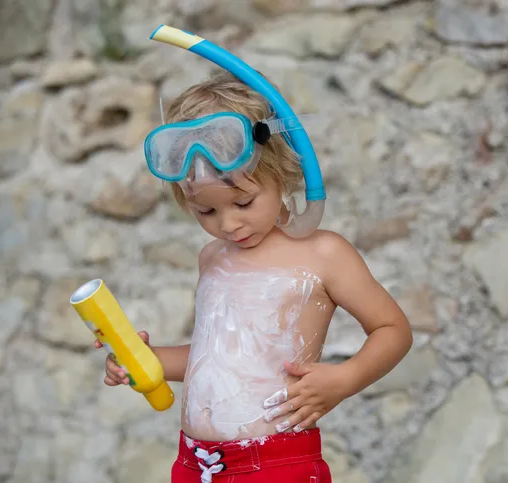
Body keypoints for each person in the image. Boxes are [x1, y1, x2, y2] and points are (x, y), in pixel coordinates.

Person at [94, 71, 413, 483]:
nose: (228, 224)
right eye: (206, 212)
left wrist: (345, 378)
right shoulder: (212, 257)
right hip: (192, 463)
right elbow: (220, 358)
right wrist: (143, 360)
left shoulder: (323, 253)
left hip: (278, 463)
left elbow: (394, 330)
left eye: (243, 201)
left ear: (280, 169)